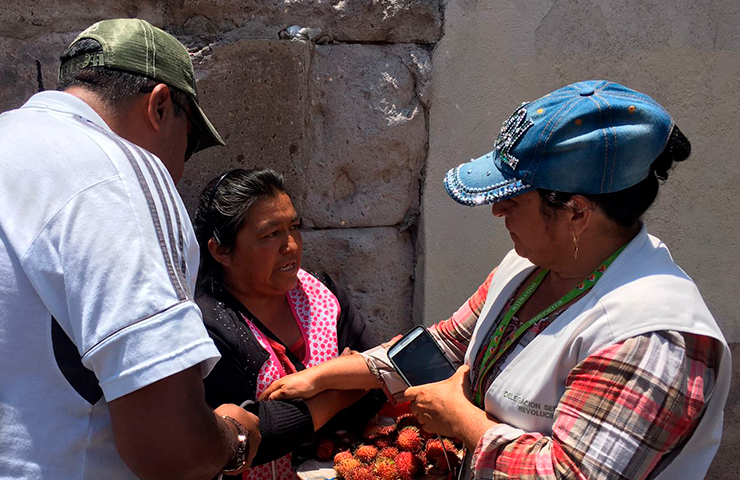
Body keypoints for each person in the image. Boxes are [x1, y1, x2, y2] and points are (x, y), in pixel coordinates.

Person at [261, 80, 732, 480]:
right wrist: (329, 374)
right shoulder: (527, 267)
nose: (497, 210)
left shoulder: (651, 337)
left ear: (577, 213)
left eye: (514, 197)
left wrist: (461, 419)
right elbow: (446, 343)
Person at [0, 18, 260, 479]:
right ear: (161, 106)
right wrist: (233, 437)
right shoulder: (119, 170)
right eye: (187, 145)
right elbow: (172, 449)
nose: (178, 172)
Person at [193, 169, 385, 480]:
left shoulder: (322, 295)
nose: (291, 246)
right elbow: (247, 439)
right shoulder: (207, 326)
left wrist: (322, 383)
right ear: (221, 250)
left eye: (294, 227)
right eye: (271, 234)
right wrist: (339, 391)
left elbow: (377, 385)